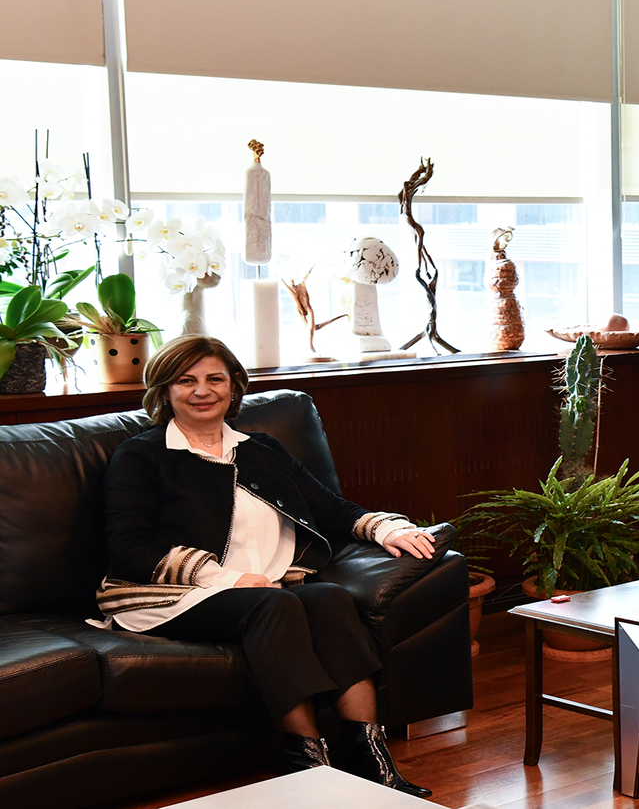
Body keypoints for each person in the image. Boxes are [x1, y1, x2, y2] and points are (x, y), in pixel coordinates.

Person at [98, 335, 436, 797]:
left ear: (234, 386)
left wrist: (385, 528)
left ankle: (369, 757)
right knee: (274, 606)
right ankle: (308, 763)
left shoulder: (261, 450)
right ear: (165, 391)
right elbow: (128, 546)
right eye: (186, 381)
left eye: (215, 379)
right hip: (176, 594)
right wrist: (230, 579)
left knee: (330, 598)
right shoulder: (142, 455)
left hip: (267, 589)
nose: (203, 391)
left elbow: (328, 507)